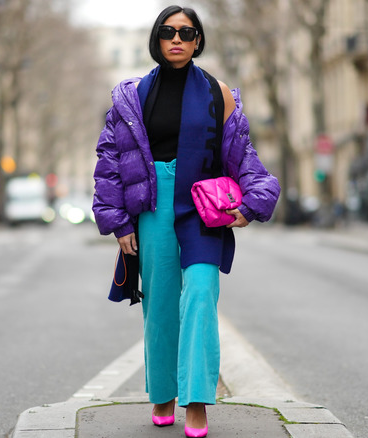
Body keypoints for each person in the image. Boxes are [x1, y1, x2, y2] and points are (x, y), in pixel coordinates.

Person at [92, 5, 280, 437]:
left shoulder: (220, 94)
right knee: (159, 305)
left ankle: (196, 401)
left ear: (198, 41)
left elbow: (244, 157)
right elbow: (110, 162)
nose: (176, 39)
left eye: (187, 32)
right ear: (156, 39)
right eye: (167, 32)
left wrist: (254, 202)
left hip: (202, 207)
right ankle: (163, 393)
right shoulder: (132, 95)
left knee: (200, 292)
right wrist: (119, 223)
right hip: (153, 204)